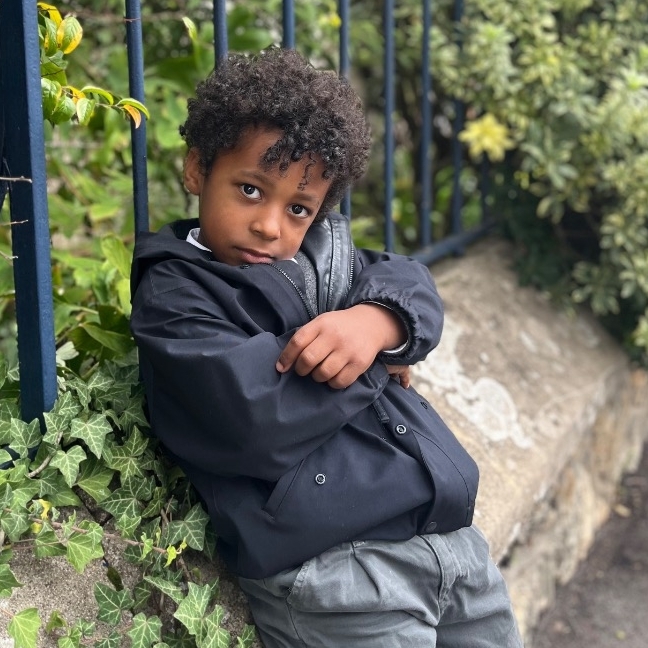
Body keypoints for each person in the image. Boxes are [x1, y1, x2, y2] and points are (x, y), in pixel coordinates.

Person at [130, 47, 523, 648]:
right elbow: (254, 413)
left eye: (298, 209)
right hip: (341, 576)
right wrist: (373, 361)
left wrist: (377, 323)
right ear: (196, 169)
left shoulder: (318, 259)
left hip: (452, 546)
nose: (271, 226)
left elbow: (408, 280)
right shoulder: (176, 294)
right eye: (250, 190)